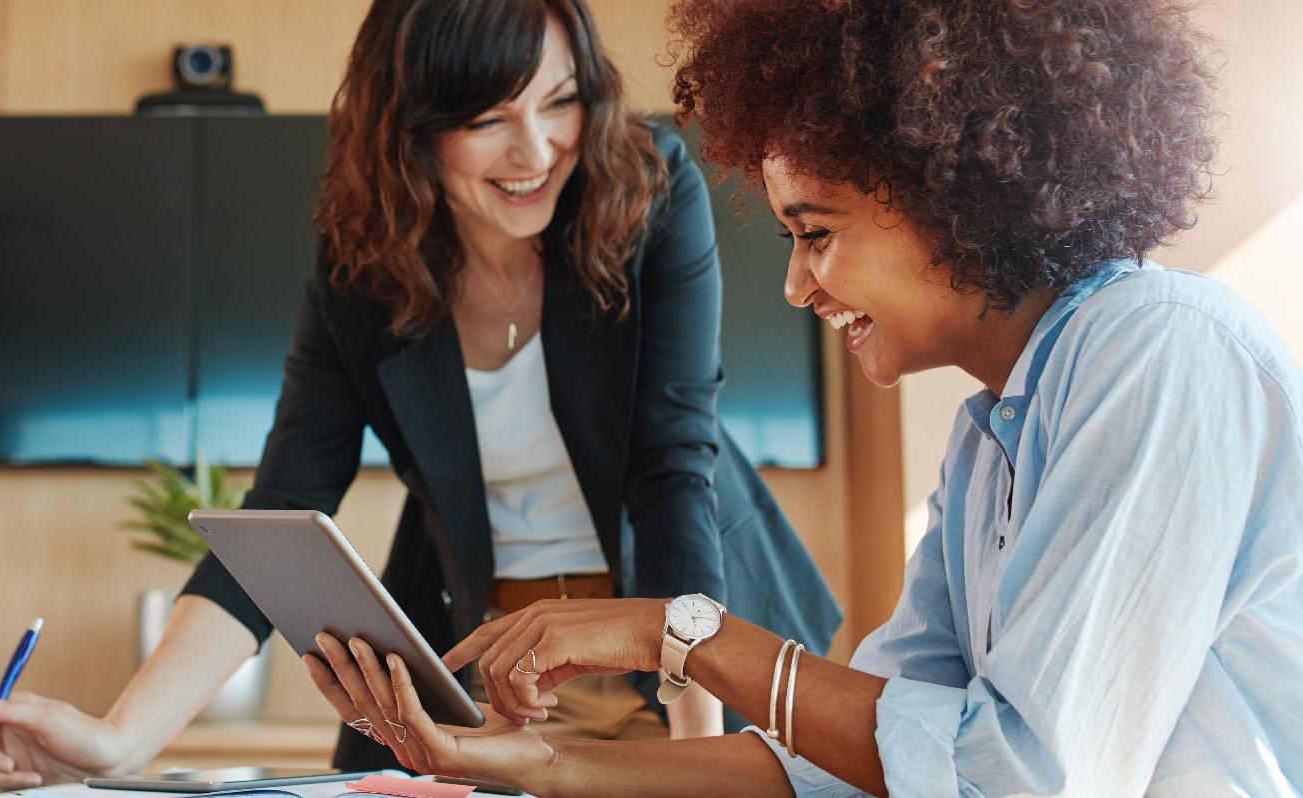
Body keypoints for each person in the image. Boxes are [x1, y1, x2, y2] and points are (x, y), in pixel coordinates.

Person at [303, 0, 1303, 795]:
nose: (796, 285)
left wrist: (672, 633)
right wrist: (534, 769)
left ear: (948, 190)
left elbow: (1014, 782)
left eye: (815, 232)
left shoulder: (1161, 349)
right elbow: (864, 765)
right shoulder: (988, 441)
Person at [0, 0, 841, 789]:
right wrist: (115, 743)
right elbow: (284, 509)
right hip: (495, 673)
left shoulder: (648, 190)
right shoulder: (364, 265)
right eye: (489, 117)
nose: (536, 150)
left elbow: (670, 466)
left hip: (684, 648)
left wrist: (700, 752)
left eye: (560, 100)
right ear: (412, 126)